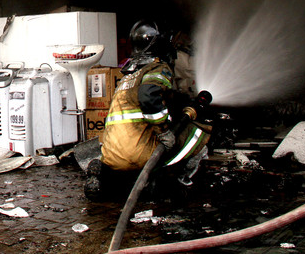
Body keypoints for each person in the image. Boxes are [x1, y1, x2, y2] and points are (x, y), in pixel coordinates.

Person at [83, 20, 212, 201]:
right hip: (138, 154)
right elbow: (148, 96)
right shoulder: (156, 68)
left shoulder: (128, 76)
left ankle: (108, 178)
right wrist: (164, 130)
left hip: (112, 154)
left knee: (134, 146)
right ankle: (179, 183)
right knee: (197, 135)